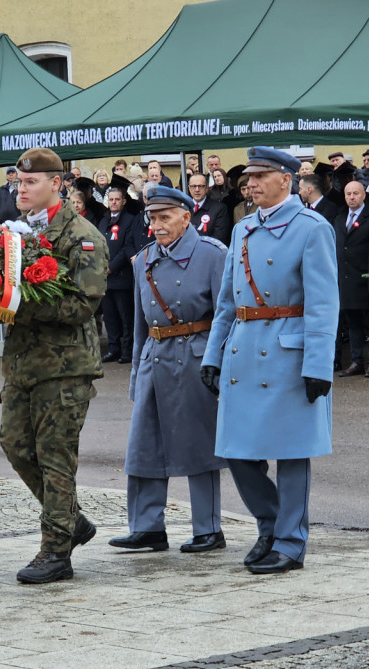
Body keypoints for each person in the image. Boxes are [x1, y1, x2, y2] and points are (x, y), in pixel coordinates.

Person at [200, 147, 338, 575]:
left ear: (287, 179)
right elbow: (226, 302)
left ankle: (291, 542)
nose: (251, 184)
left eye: (260, 176)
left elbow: (323, 303)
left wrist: (318, 364)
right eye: (248, 178)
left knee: (292, 452)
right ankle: (270, 524)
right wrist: (213, 355)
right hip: (243, 349)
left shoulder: (312, 228)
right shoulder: (242, 230)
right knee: (237, 450)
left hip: (288, 351)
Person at [0, 147, 109, 585]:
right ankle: (73, 520)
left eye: (29, 183)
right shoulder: (17, 234)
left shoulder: (81, 236)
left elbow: (83, 304)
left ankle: (56, 550)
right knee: (13, 444)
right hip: (24, 364)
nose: (20, 189)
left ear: (55, 184)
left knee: (55, 458)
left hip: (65, 367)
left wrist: (18, 304)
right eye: (17, 183)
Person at [110, 186, 228, 553]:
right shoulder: (144, 258)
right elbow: (139, 326)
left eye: (164, 218)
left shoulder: (211, 255)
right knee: (144, 444)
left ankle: (208, 528)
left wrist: (219, 365)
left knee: (198, 445)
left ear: (185, 217)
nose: (157, 225)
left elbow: (227, 315)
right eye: (152, 218)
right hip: (154, 357)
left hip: (195, 357)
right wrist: (135, 373)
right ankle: (147, 527)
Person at [335, 181, 369, 378]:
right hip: (346, 279)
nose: (352, 197)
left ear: (364, 195)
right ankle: (356, 361)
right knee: (353, 322)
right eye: (348, 194)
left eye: (356, 193)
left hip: (366, 278)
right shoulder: (340, 219)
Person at [97, 185, 138, 365]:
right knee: (109, 316)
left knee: (125, 316)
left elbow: (126, 248)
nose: (113, 203)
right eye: (111, 200)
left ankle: (128, 351)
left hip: (121, 276)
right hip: (105, 278)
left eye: (117, 200)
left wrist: (111, 267)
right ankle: (113, 349)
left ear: (123, 202)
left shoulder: (130, 220)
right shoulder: (103, 221)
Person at [187, 174, 230, 245]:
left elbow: (219, 238)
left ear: (207, 188)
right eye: (194, 186)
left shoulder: (219, 208)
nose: (197, 190)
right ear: (189, 188)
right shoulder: (184, 208)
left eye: (201, 186)